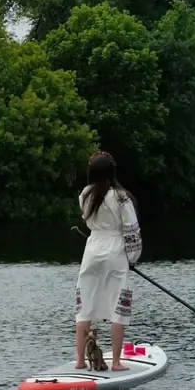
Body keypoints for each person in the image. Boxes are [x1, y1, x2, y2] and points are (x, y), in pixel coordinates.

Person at [74, 151, 142, 370]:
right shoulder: (121, 197)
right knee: (117, 308)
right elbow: (131, 231)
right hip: (115, 251)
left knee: (85, 305)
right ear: (112, 172)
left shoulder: (85, 194)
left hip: (92, 250)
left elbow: (87, 220)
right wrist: (133, 258)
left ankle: (79, 361)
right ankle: (115, 362)